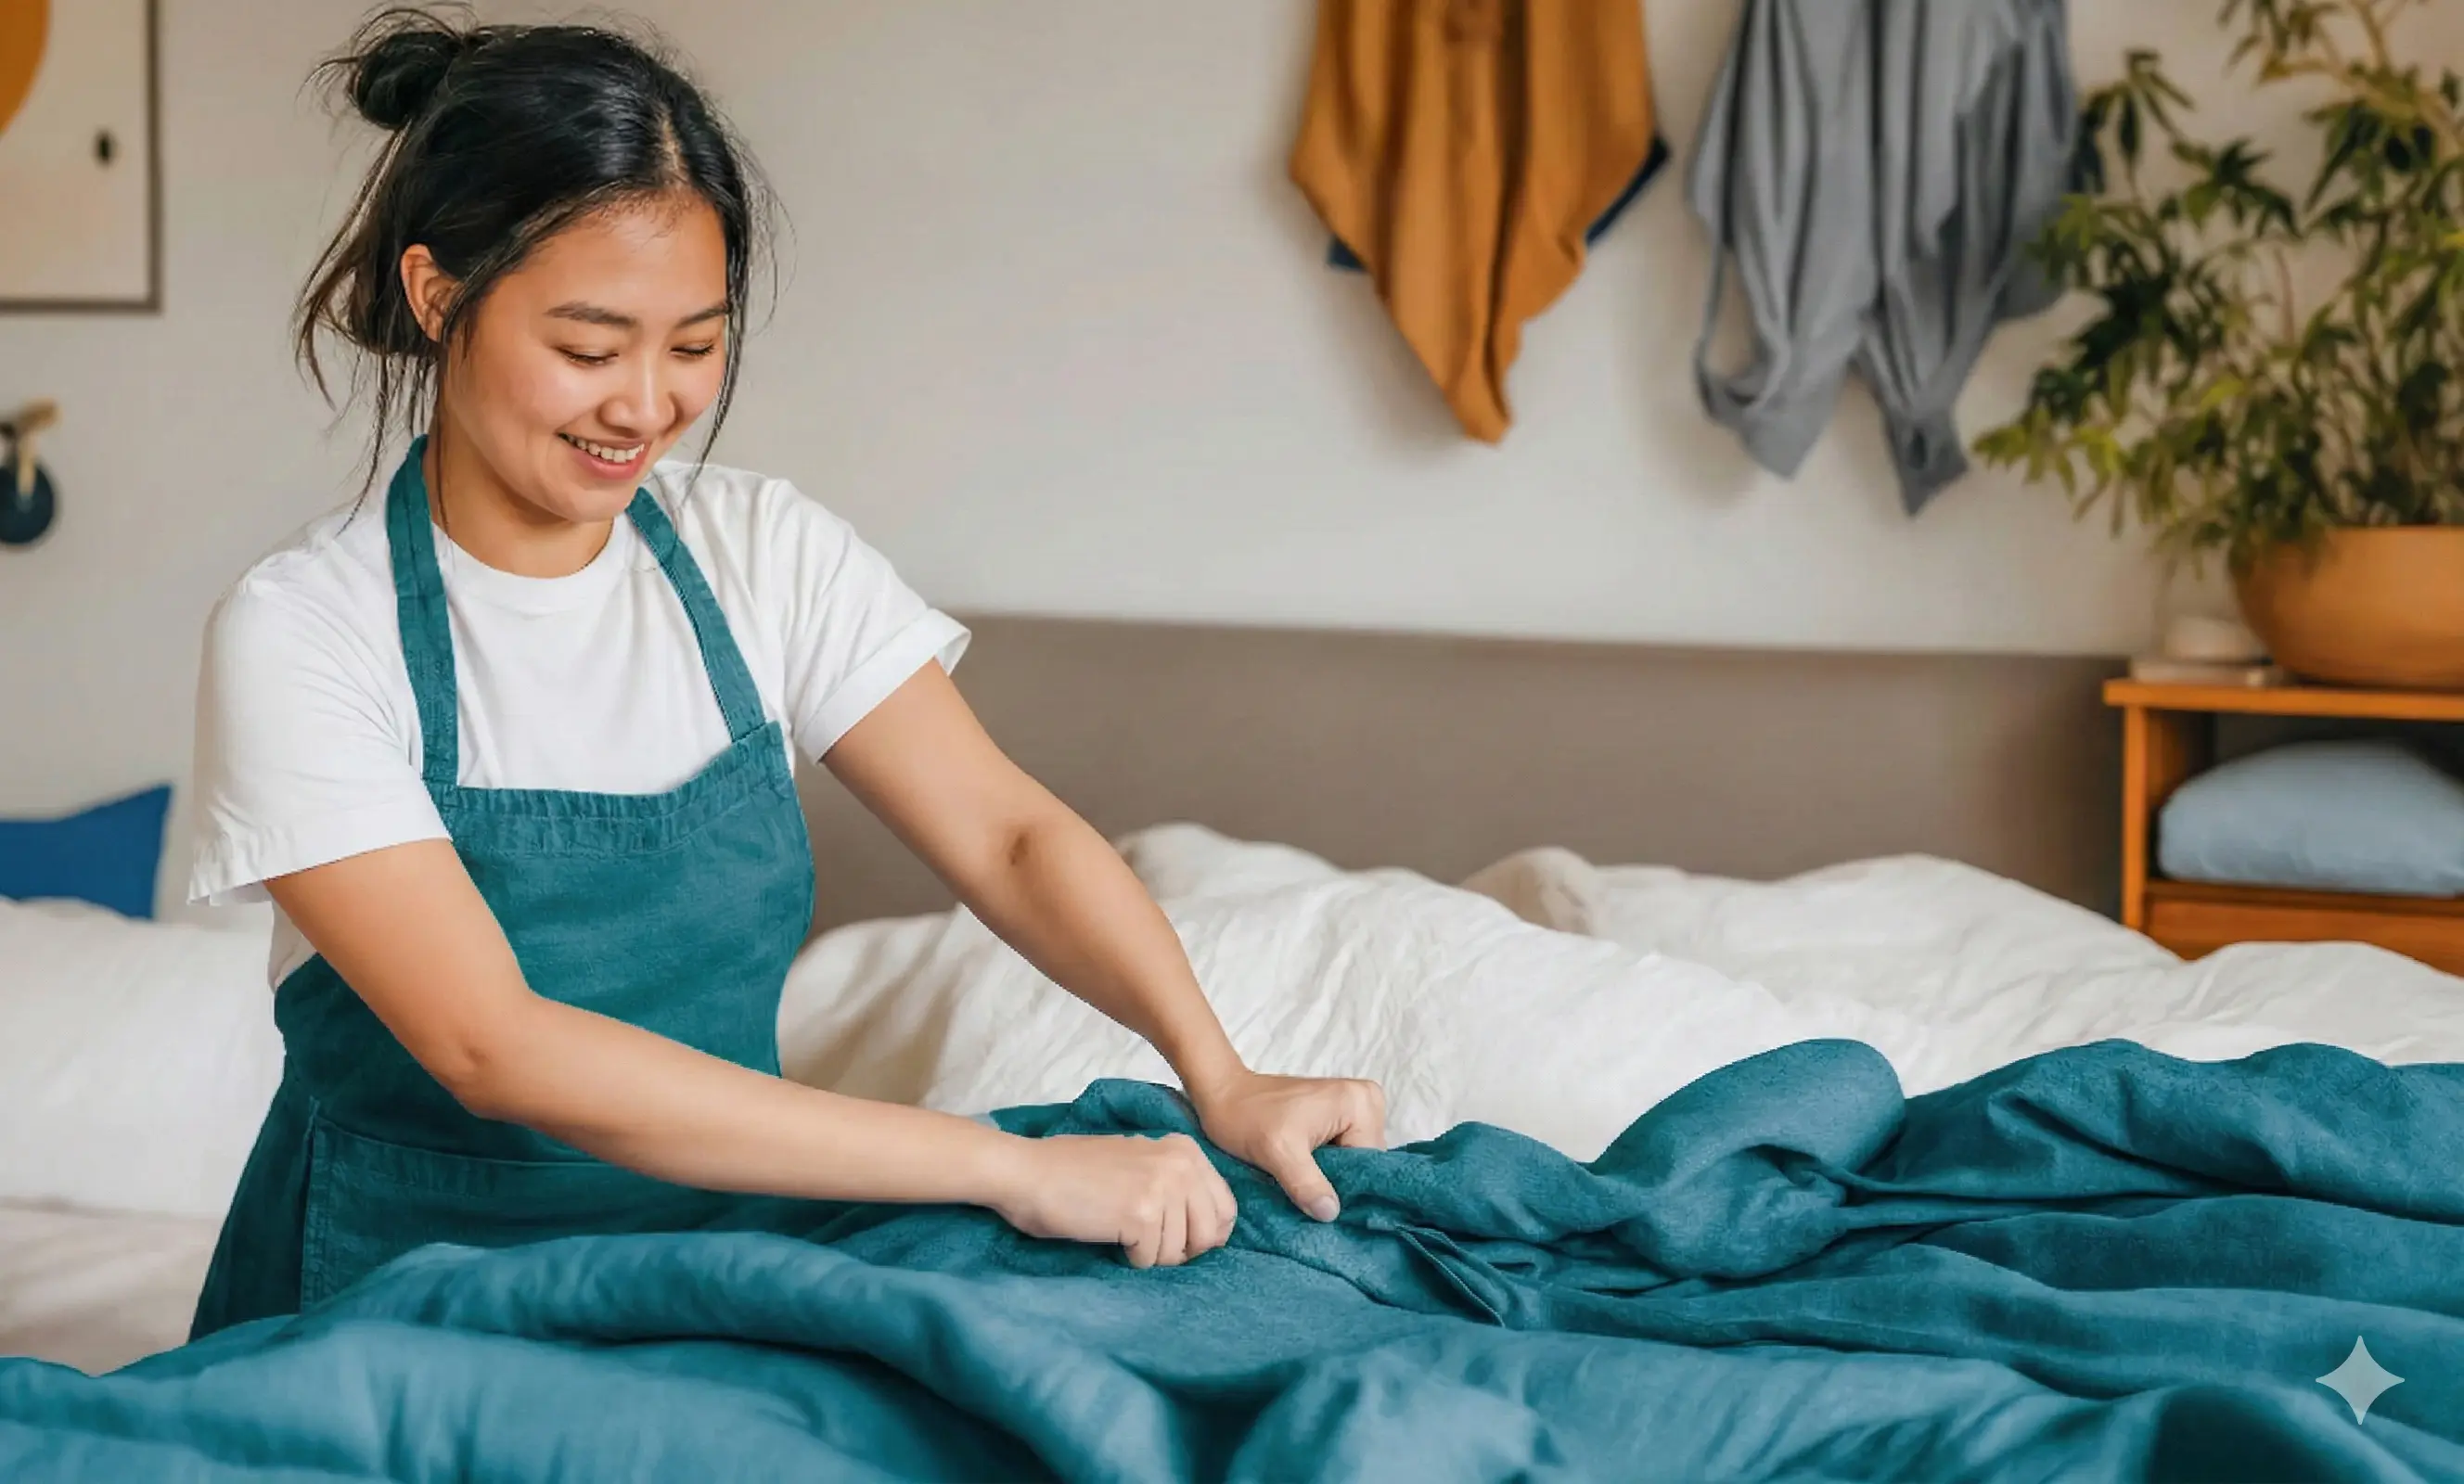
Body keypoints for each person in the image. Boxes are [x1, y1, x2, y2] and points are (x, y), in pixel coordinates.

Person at [185, 9, 1383, 1339]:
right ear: (436, 295)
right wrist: (1009, 1169)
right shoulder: (305, 629)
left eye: (693, 346)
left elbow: (1009, 836)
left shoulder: (763, 555)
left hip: (718, 1269)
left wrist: (1216, 1074)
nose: (645, 404)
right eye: (589, 348)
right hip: (397, 1300)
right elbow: (493, 1046)